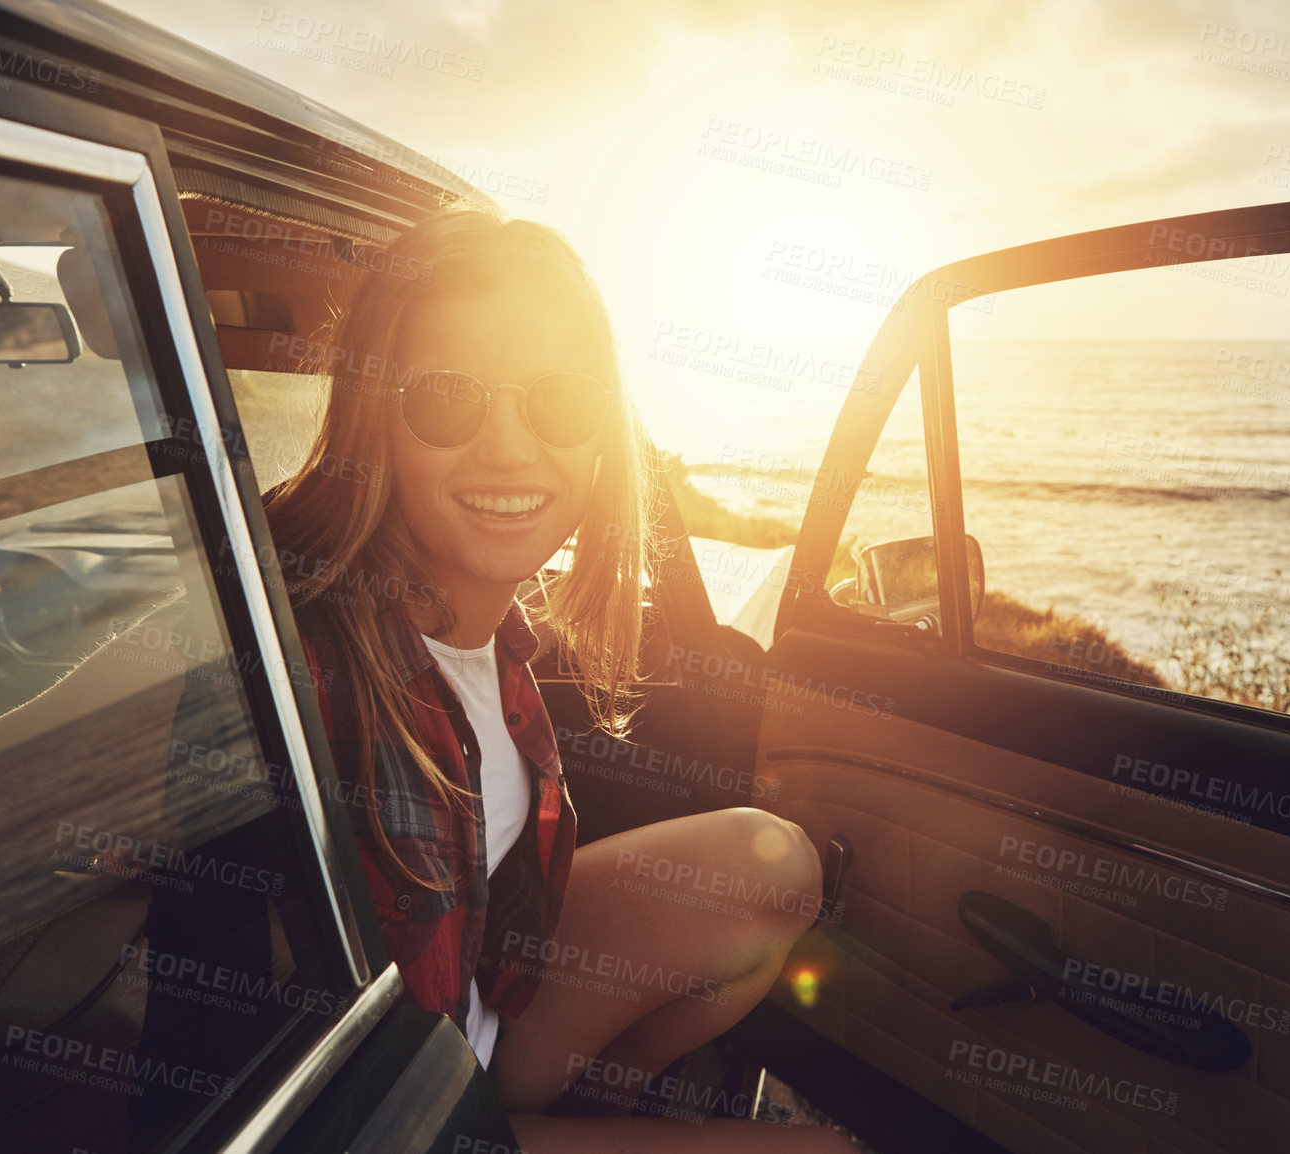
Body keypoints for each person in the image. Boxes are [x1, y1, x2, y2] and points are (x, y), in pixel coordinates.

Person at [263, 201, 854, 1153]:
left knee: (771, 864)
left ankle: (555, 1116)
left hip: (470, 1033)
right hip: (390, 1124)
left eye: (560, 400)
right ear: (375, 416)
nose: (508, 446)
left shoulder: (501, 648)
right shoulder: (296, 652)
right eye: (449, 397)